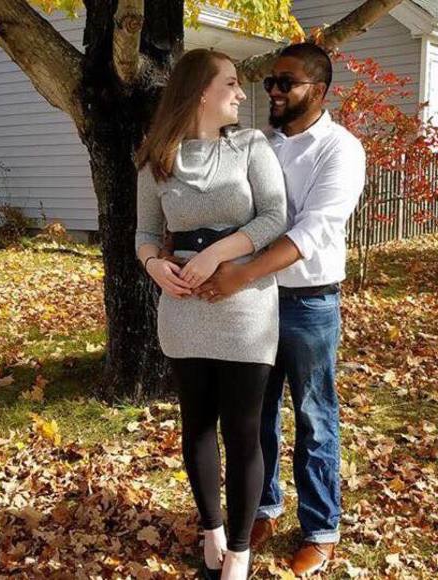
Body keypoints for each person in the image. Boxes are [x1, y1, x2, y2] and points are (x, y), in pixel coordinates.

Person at [195, 43, 366, 577]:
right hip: (255, 303)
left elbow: (314, 229)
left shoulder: (340, 149)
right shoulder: (258, 144)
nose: (272, 90)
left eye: (285, 83)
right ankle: (263, 508)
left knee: (314, 417)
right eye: (270, 81)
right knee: (254, 416)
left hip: (309, 302)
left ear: (318, 90)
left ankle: (320, 528)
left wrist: (242, 273)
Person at [134, 49, 287, 580]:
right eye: (231, 83)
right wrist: (155, 266)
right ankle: (212, 532)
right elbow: (145, 233)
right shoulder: (157, 158)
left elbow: (275, 217)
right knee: (197, 425)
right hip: (183, 308)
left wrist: (216, 253)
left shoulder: (250, 146)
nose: (242, 93)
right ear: (201, 91)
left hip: (245, 308)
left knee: (243, 431)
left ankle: (240, 550)